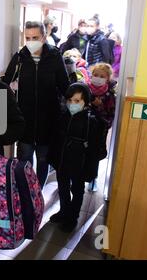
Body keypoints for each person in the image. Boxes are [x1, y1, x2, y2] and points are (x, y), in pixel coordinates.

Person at [2, 21, 70, 188]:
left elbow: (64, 85)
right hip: (25, 120)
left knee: (43, 159)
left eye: (35, 37)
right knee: (24, 159)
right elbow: (4, 83)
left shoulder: (55, 57)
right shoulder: (19, 58)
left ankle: (38, 192)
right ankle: (26, 192)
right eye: (27, 37)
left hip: (48, 120)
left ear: (44, 37)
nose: (31, 41)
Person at [48, 83, 104, 232]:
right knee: (63, 188)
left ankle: (72, 217)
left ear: (86, 101)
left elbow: (94, 150)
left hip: (79, 165)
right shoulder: (63, 116)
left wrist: (90, 170)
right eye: (70, 100)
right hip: (62, 162)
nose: (72, 104)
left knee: (77, 190)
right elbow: (55, 140)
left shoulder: (91, 122)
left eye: (77, 101)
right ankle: (64, 211)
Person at [86, 63, 117, 192]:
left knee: (95, 154)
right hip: (83, 128)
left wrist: (99, 108)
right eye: (95, 75)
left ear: (108, 78)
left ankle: (93, 178)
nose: (98, 78)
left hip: (99, 130)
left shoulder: (109, 95)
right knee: (80, 153)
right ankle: (75, 177)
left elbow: (111, 115)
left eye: (102, 76)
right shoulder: (85, 89)